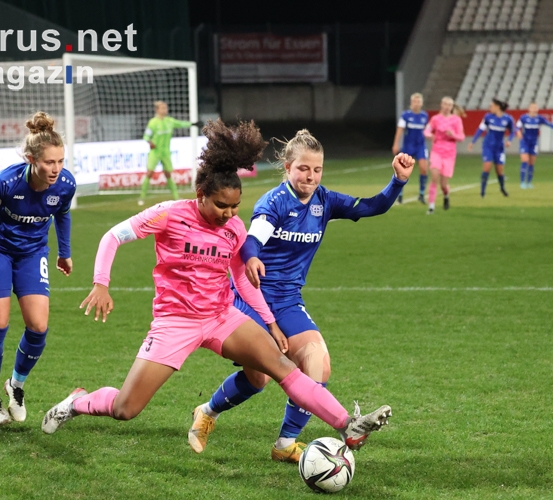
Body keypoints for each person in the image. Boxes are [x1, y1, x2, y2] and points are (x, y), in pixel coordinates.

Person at [41, 120, 394, 454]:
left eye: (235, 206)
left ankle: (346, 423)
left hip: (221, 315)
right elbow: (113, 237)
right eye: (221, 206)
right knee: (125, 408)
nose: (229, 213)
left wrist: (270, 323)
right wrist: (101, 283)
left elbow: (241, 279)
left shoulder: (235, 228)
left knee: (282, 366)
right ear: (200, 195)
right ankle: (78, 402)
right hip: (175, 322)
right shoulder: (169, 214)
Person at [185, 128, 413, 463]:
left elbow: (371, 207)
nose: (311, 176)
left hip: (289, 299)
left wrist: (398, 181)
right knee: (258, 377)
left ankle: (285, 444)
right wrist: (251, 256)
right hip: (251, 297)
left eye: (317, 169)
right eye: (303, 168)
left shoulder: (325, 201)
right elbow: (252, 239)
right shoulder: (274, 203)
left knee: (317, 364)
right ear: (288, 167)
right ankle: (206, 411)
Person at [0, 112, 75, 425]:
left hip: (33, 253)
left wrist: (65, 252)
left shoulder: (65, 184)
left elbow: (62, 214)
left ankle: (15, 386)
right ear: (31, 159)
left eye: (60, 161)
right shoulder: (4, 183)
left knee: (38, 326)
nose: (56, 169)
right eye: (50, 162)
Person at [139, 100, 200, 206]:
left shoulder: (169, 121)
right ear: (157, 110)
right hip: (155, 152)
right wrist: (150, 142)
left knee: (168, 174)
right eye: (163, 108)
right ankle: (142, 197)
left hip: (166, 153)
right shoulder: (153, 122)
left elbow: (181, 124)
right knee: (149, 173)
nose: (165, 110)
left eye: (166, 108)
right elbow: (146, 136)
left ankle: (176, 197)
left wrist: (193, 124)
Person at [423, 97, 465, 213]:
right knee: (434, 176)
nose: (447, 107)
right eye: (445, 104)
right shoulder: (435, 119)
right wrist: (431, 136)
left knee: (443, 184)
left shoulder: (456, 120)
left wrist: (453, 135)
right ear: (441, 105)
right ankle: (431, 206)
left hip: (449, 154)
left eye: (449, 105)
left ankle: (446, 195)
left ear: (452, 107)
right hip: (437, 151)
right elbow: (426, 131)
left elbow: (461, 137)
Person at [468, 98, 515, 197]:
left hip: (499, 148)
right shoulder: (488, 117)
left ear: (497, 107)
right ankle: (482, 192)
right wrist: (473, 141)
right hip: (488, 146)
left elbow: (512, 131)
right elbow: (480, 129)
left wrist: (509, 141)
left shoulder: (508, 119)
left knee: (500, 171)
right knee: (487, 168)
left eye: (491, 106)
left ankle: (502, 188)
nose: (489, 108)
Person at [516, 102, 553, 189]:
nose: (535, 109)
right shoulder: (523, 118)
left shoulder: (540, 118)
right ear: (529, 108)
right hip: (525, 142)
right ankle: (522, 182)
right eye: (533, 107)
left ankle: (529, 183)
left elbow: (549, 124)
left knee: (531, 163)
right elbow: (516, 127)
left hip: (534, 142)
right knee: (525, 160)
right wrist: (518, 132)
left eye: (536, 107)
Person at [392, 92, 428, 204]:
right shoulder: (405, 115)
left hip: (421, 146)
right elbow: (400, 130)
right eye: (414, 101)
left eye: (418, 102)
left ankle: (422, 194)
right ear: (411, 103)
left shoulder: (424, 116)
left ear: (421, 103)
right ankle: (400, 195)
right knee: (403, 171)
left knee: (423, 168)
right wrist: (395, 143)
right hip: (408, 146)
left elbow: (427, 131)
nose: (416, 104)